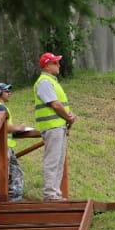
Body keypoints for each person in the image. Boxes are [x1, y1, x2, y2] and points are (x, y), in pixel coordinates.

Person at [34, 52, 76, 201]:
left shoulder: (51, 81)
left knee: (58, 161)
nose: (58, 65)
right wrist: (68, 116)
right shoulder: (44, 81)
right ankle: (50, 193)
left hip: (58, 126)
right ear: (47, 66)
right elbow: (55, 104)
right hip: (52, 126)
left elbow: (59, 105)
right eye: (55, 63)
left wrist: (68, 116)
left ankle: (55, 192)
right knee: (53, 160)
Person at [0, 82, 26, 201]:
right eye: (6, 91)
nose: (9, 93)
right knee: (2, 172)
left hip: (4, 145)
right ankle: (0, 200)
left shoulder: (0, 107)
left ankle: (10, 200)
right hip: (1, 146)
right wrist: (18, 128)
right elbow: (3, 127)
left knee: (14, 173)